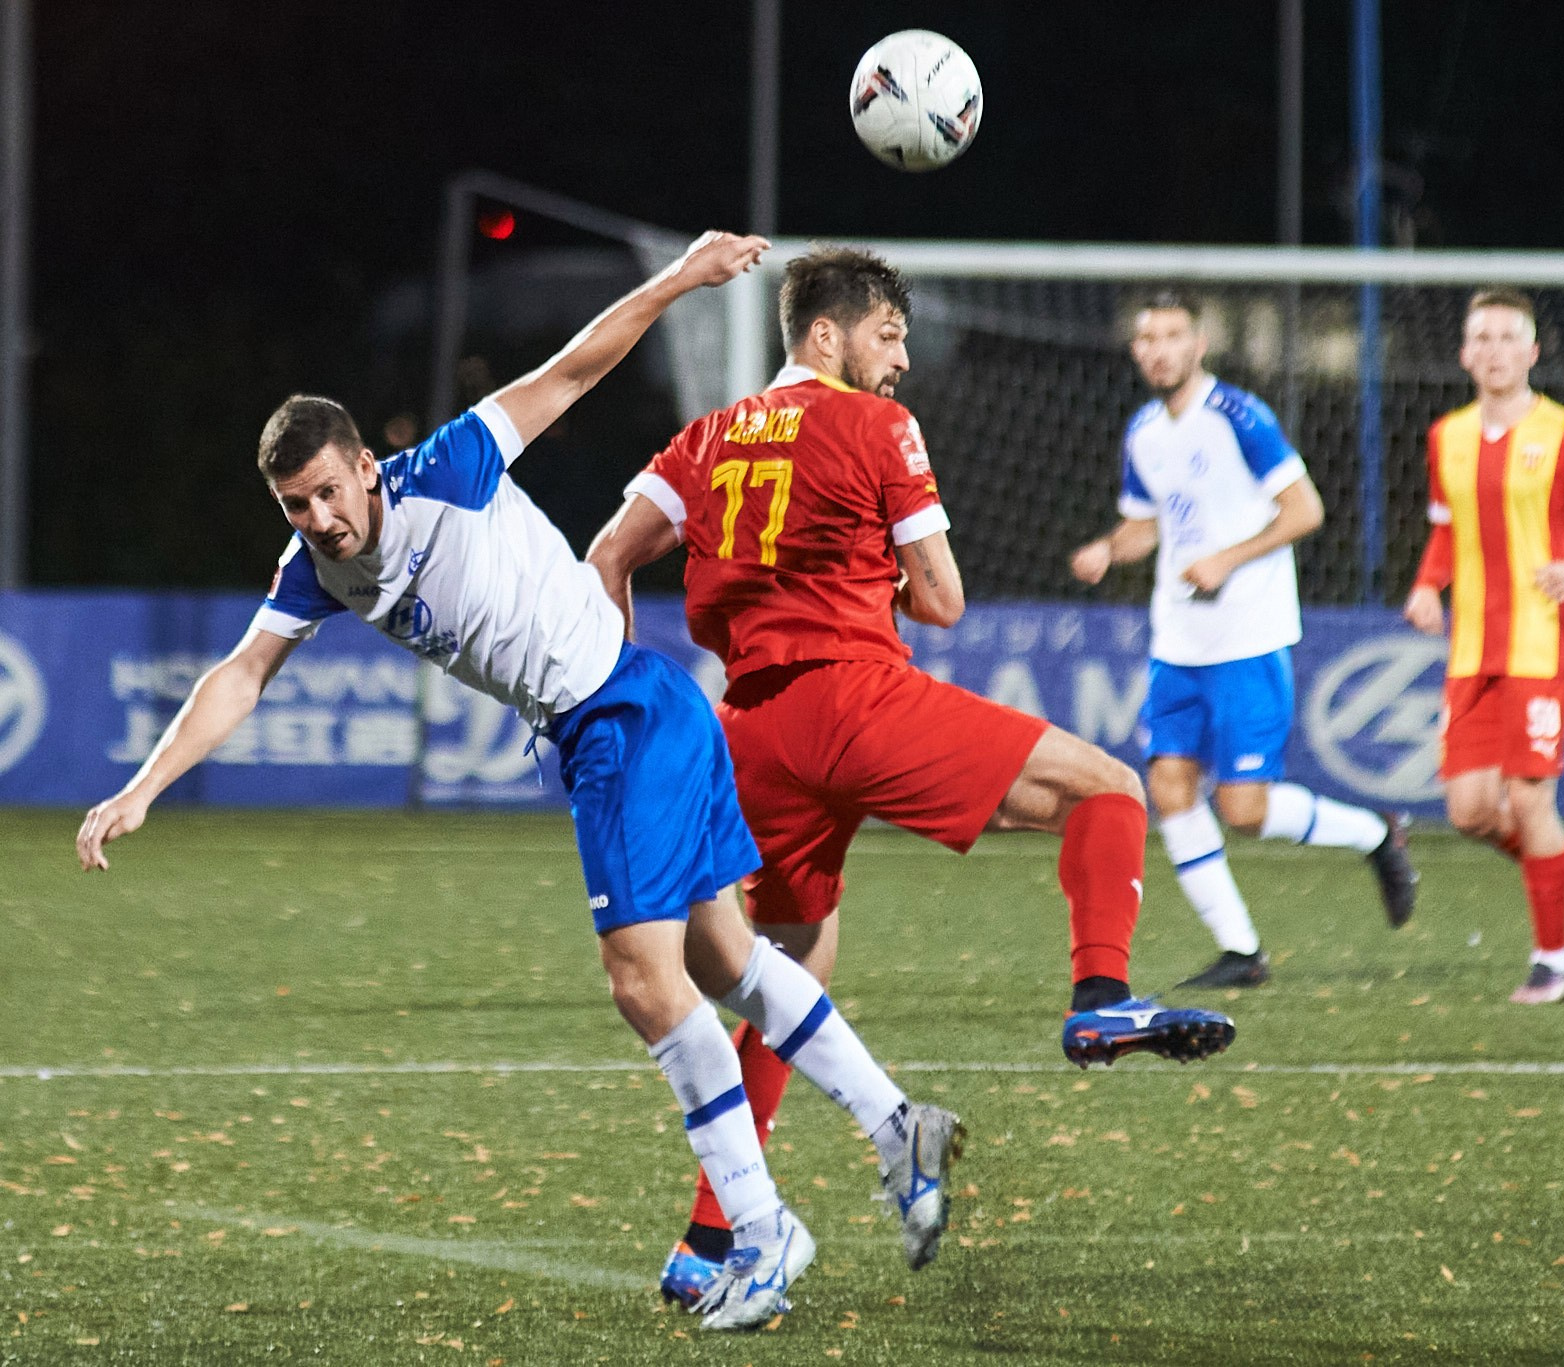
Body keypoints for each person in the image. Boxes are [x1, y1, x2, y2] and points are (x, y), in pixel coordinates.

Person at [72, 233, 954, 1332]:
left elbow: (575, 369)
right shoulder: (315, 567)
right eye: (295, 507)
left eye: (329, 494)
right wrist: (146, 785)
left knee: (644, 982)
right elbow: (243, 671)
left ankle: (763, 1230)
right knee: (725, 958)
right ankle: (894, 1120)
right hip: (623, 718)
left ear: (361, 463)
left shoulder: (445, 464)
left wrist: (681, 277)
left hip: (622, 714)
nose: (321, 520)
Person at [583, 246, 1236, 1303]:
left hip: (742, 726)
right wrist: (873, 557)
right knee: (1109, 788)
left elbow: (608, 555)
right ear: (826, 333)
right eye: (888, 335)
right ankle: (1101, 997)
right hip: (851, 697)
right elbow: (940, 601)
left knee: (783, 971)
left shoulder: (704, 437)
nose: (900, 359)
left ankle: (711, 1239)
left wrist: (615, 693)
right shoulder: (878, 425)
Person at [1068, 290, 1418, 989]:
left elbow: (1305, 509)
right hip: (1179, 641)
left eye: (1171, 335)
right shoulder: (1143, 429)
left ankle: (1376, 832)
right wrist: (1109, 549)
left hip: (1247, 636)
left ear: (1199, 344)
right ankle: (1241, 950)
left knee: (1245, 809)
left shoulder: (1241, 417)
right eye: (1146, 337)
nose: (1158, 348)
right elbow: (1145, 524)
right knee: (1168, 788)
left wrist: (1228, 558)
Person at [1403, 289, 1564, 1004]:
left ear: (1532, 352)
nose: (1496, 348)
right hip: (1472, 647)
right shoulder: (1447, 436)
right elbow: (1446, 530)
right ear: (1466, 353)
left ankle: (1551, 960)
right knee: (1471, 809)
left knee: (1529, 796)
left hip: (1541, 643)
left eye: (1510, 336)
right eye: (1483, 337)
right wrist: (1425, 586)